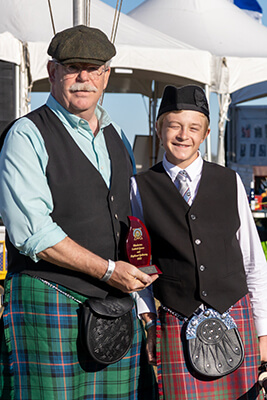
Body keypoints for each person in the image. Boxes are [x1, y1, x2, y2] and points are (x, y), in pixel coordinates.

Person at [0, 25, 158, 400]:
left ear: (107, 75)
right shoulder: (26, 134)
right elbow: (32, 233)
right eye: (73, 67)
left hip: (114, 304)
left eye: (94, 68)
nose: (83, 78)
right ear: (53, 72)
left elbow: (126, 217)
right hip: (49, 298)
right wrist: (108, 270)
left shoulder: (117, 134)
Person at [131, 84, 267, 400]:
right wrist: (149, 321)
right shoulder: (140, 188)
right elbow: (139, 263)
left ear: (205, 134)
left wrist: (263, 332)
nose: (183, 135)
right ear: (158, 128)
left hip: (236, 314)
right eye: (174, 125)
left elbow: (253, 262)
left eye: (194, 128)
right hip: (176, 319)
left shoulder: (229, 181)